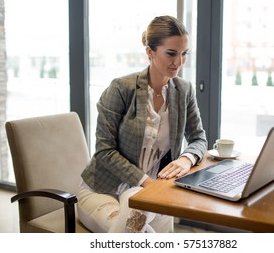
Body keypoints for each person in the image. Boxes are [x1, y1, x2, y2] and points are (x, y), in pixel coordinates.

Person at [77, 15, 207, 233]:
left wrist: (187, 158)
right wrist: (147, 182)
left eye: (184, 54)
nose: (179, 62)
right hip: (102, 191)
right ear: (150, 51)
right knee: (137, 232)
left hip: (148, 195)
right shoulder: (121, 89)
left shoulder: (183, 91)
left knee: (139, 218)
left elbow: (199, 138)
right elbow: (104, 151)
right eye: (171, 53)